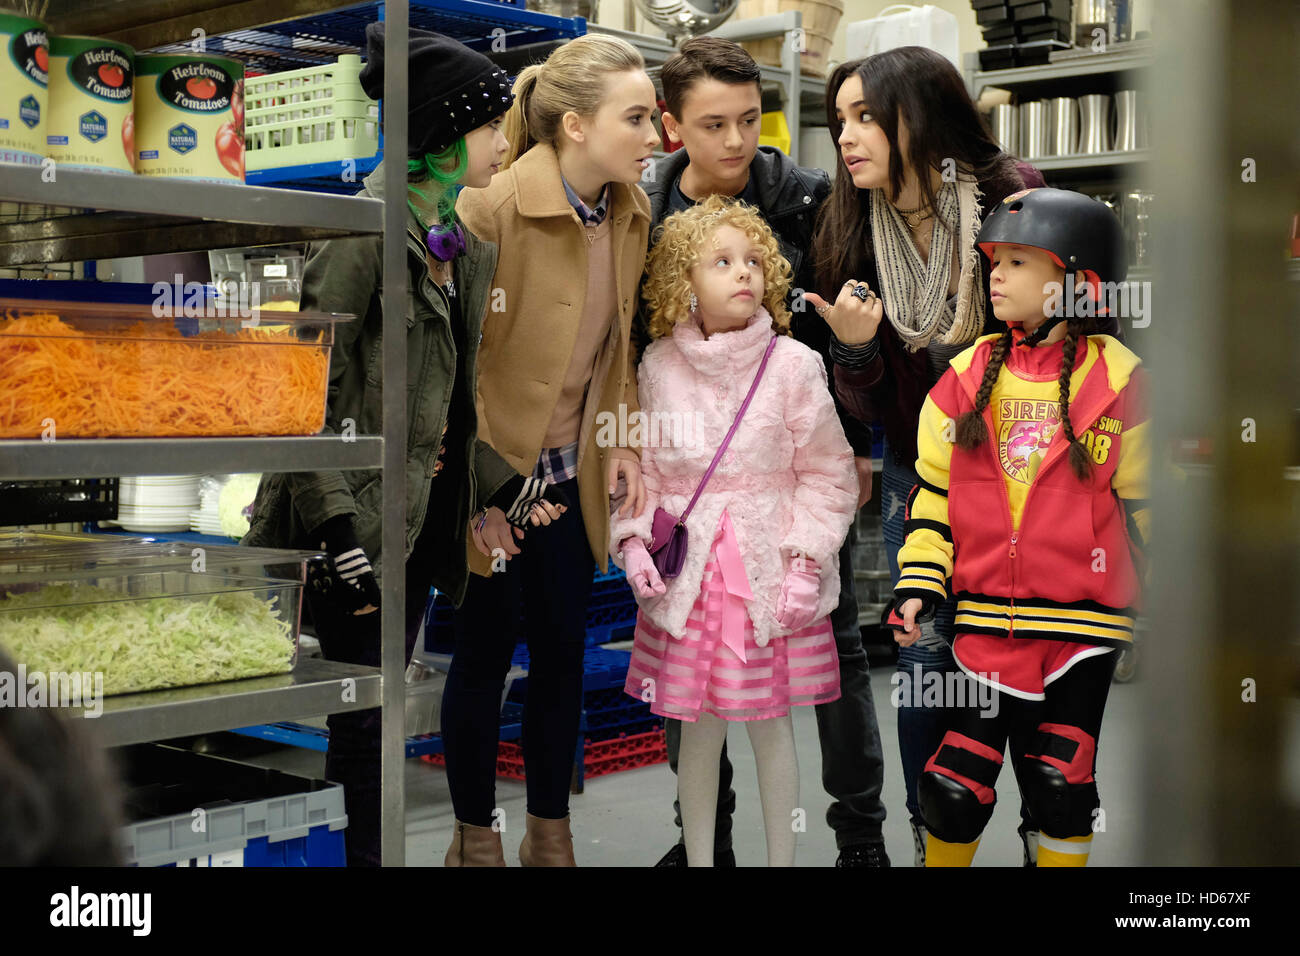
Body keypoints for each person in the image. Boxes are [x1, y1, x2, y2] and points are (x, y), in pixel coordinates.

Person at [245, 24, 565, 867]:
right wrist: (339, 526)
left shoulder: (456, 248)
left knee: (384, 707)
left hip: (416, 522)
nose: (502, 140)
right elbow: (304, 394)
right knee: (363, 719)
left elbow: (447, 407)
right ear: (439, 135)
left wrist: (500, 485)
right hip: (351, 526)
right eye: (488, 125)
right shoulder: (360, 236)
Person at [637, 36, 889, 868]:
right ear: (672, 126)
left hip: (801, 458)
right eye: (714, 125)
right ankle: (706, 841)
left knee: (835, 641)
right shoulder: (644, 215)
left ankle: (859, 836)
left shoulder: (813, 200)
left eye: (751, 120)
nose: (738, 142)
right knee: (695, 656)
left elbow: (844, 330)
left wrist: (856, 446)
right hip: (690, 472)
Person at [805, 46, 1047, 865]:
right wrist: (856, 354)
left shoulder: (1015, 200)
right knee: (927, 661)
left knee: (1031, 660)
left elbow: (1078, 347)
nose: (847, 136)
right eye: (839, 119)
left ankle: (1044, 832)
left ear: (924, 117)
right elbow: (871, 413)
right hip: (925, 472)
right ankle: (931, 836)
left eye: (866, 116)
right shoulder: (846, 229)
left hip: (1031, 472)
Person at [442, 33, 660, 867]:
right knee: (484, 653)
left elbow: (621, 348)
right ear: (575, 125)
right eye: (635, 118)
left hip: (572, 472)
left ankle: (550, 835)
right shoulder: (488, 209)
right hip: (489, 475)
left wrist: (623, 436)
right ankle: (472, 837)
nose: (654, 135)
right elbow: (449, 368)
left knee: (564, 652)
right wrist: (476, 489)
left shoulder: (632, 212)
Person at [892, 186, 1147, 867]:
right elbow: (933, 495)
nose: (995, 275)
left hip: (1083, 629)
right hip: (984, 622)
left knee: (1059, 783)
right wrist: (920, 581)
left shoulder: (1121, 380)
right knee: (954, 787)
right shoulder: (965, 374)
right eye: (993, 261)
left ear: (1077, 282)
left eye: (1017, 262)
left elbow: (1153, 510)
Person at [612, 195, 858, 866]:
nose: (742, 273)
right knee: (697, 732)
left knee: (772, 728)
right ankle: (701, 859)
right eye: (720, 262)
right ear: (682, 281)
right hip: (689, 579)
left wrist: (806, 561)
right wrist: (633, 540)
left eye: (753, 260)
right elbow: (650, 473)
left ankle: (783, 861)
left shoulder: (793, 366)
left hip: (769, 577)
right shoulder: (659, 366)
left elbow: (829, 472)